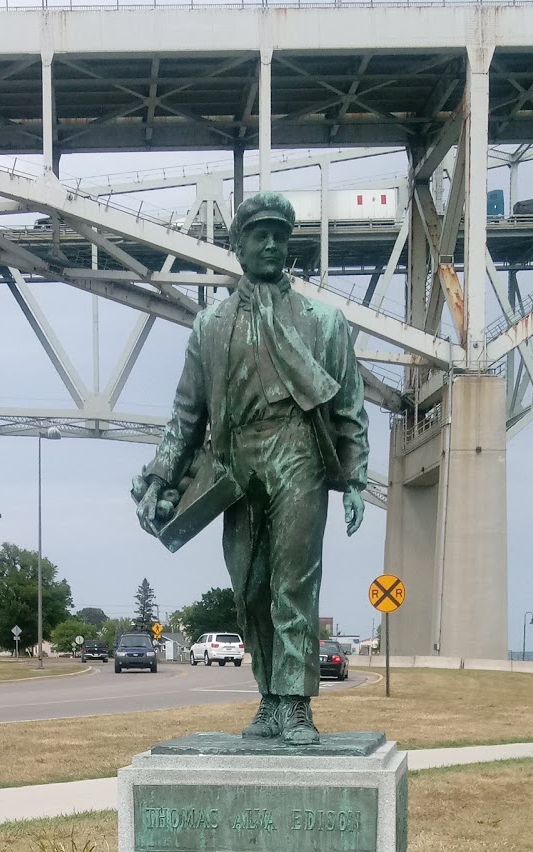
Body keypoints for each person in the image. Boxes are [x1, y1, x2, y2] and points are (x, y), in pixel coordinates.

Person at [132, 191, 369, 745]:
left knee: (294, 581)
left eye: (278, 236)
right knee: (250, 586)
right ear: (237, 246)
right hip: (236, 463)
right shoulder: (209, 326)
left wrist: (354, 477)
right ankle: (268, 694)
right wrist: (161, 480)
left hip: (298, 453)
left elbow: (349, 408)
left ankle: (295, 704)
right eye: (258, 236)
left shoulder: (325, 322)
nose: (269, 245)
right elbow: (187, 415)